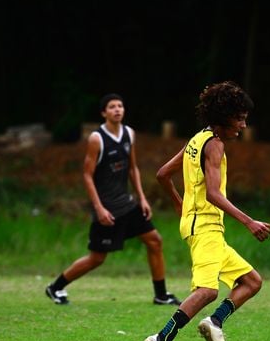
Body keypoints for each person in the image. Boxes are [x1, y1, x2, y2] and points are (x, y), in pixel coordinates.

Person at [143, 81, 270, 341]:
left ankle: (214, 323)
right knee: (206, 291)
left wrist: (180, 205)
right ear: (223, 116)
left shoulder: (197, 139)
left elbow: (163, 174)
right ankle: (161, 340)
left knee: (251, 282)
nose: (243, 125)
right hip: (205, 227)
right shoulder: (214, 144)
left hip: (201, 226)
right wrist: (249, 221)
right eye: (239, 118)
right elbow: (214, 194)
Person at [45, 93, 180, 305]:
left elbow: (133, 168)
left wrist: (142, 198)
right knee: (97, 258)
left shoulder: (129, 134)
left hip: (127, 203)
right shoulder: (96, 139)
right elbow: (87, 175)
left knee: (154, 240)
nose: (117, 109)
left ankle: (161, 295)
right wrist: (99, 208)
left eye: (120, 106)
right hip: (107, 208)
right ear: (104, 113)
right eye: (112, 106)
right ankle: (55, 287)